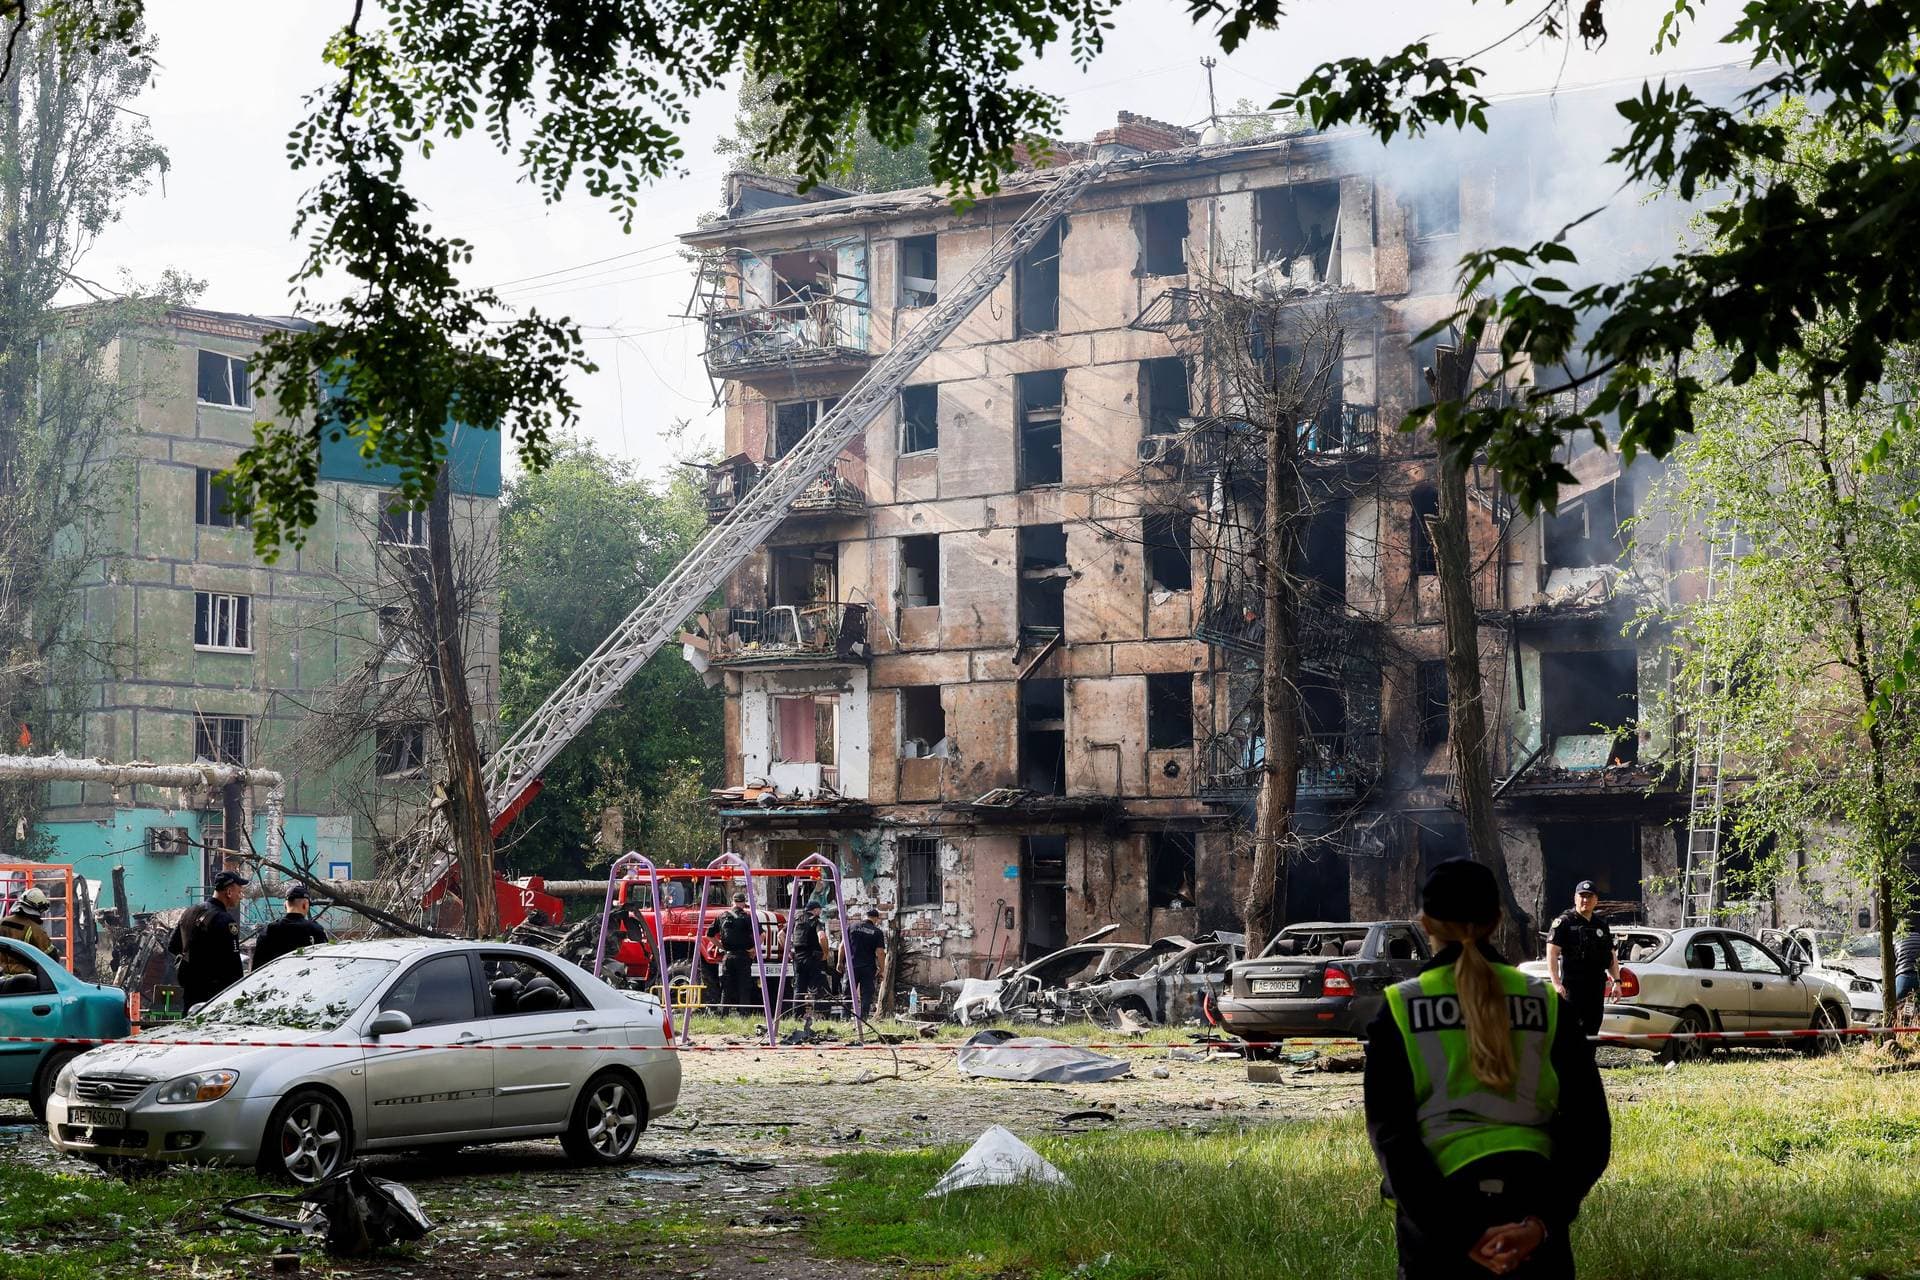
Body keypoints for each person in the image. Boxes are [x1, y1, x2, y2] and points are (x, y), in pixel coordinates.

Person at [1366, 859, 1610, 1279]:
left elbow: (1393, 1138)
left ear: (1426, 924)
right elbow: (1589, 1130)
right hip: (1532, 1204)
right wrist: (1541, 1225)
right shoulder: (1549, 1006)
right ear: (1497, 919)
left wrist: (1456, 1234)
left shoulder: (1399, 1008)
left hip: (1438, 1221)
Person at [1545, 880, 1620, 1041]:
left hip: (1595, 986)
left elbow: (1611, 955)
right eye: (1582, 896)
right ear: (1575, 898)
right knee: (1570, 1030)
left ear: (1596, 900)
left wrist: (1617, 982)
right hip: (1572, 987)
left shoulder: (1601, 925)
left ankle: (1587, 1063)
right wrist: (1556, 983)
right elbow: (1551, 953)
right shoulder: (1564, 922)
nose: (1585, 900)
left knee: (1593, 1028)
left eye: (1589, 896)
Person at [169, 870, 249, 1011]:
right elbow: (234, 966)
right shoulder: (225, 921)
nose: (240, 896)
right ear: (229, 892)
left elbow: (173, 946)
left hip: (189, 992)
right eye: (239, 892)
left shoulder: (190, 912)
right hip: (215, 996)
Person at [250, 883, 328, 972]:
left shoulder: (269, 930)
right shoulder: (315, 930)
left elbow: (257, 969)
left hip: (275, 982)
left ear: (285, 905)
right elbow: (324, 964)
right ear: (305, 905)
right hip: (307, 982)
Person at [704, 892, 757, 1012]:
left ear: (732, 902)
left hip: (728, 956)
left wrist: (721, 946)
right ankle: (744, 1015)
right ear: (743, 903)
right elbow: (761, 934)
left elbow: (709, 935)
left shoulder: (722, 916)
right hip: (744, 955)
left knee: (726, 987)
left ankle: (723, 1014)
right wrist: (753, 949)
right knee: (744, 987)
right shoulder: (747, 917)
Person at [0, 887, 58, 974]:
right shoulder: (35, 929)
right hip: (24, 978)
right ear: (39, 909)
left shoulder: (2, 922)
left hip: (2, 975)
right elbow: (52, 957)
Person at [846, 908, 887, 1022]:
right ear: (876, 918)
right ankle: (862, 1018)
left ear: (866, 916)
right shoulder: (877, 932)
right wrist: (882, 969)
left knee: (848, 992)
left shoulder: (852, 927)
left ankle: (844, 1017)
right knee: (866, 994)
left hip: (851, 965)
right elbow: (880, 952)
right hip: (868, 967)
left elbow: (843, 946)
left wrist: (840, 962)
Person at [787, 902, 829, 1010]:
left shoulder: (796, 920)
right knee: (819, 986)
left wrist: (788, 951)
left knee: (799, 988)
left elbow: (781, 935)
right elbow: (822, 937)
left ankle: (797, 1016)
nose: (820, 912)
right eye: (819, 910)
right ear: (815, 910)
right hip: (812, 958)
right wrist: (825, 952)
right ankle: (822, 1013)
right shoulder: (816, 921)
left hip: (798, 958)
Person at [1893, 919, 1920, 1022]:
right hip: (1918, 977)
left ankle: (1902, 1030)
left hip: (1903, 977)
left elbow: (1891, 962)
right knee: (1915, 1006)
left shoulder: (1896, 939)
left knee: (1899, 1006)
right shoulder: (1919, 937)